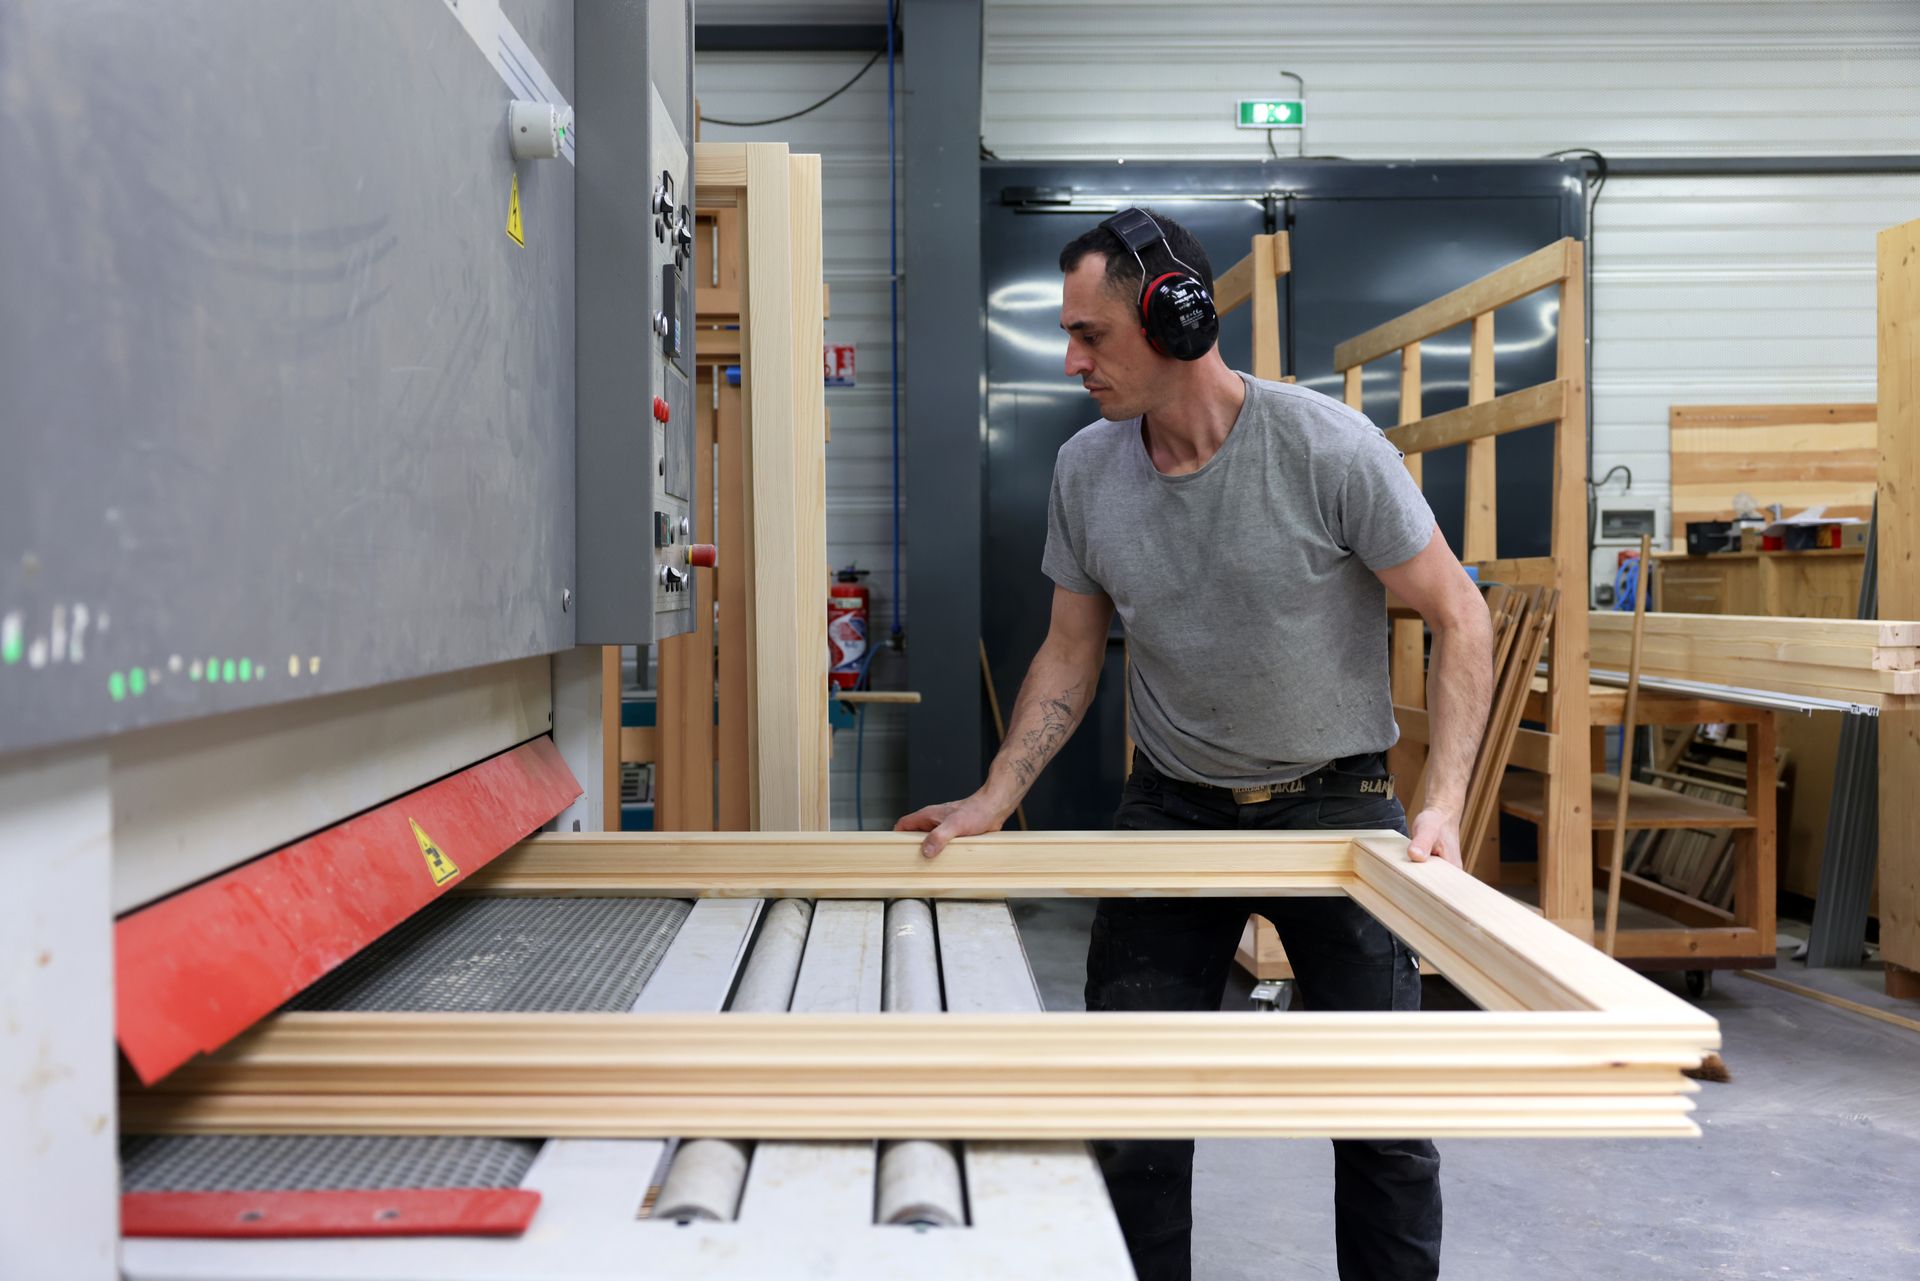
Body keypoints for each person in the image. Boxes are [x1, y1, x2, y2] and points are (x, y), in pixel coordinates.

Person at [896, 209, 1493, 1281]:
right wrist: (993, 797)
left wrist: (1442, 804)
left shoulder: (1327, 449)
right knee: (1130, 1117)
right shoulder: (1087, 470)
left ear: (1176, 319)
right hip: (1172, 805)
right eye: (1068, 337)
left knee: (1387, 1125)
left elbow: (1460, 613)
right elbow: (1071, 655)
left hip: (1338, 807)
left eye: (1093, 337)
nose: (1073, 362)